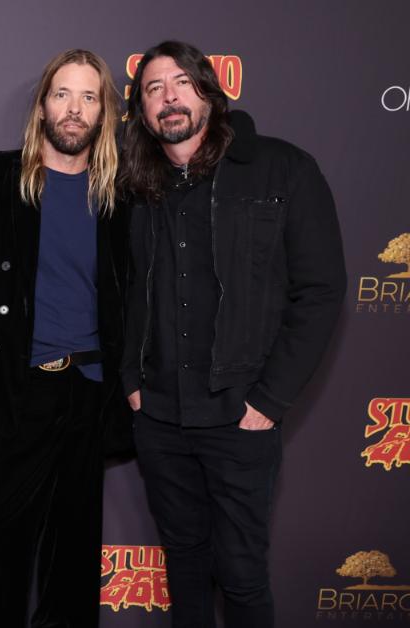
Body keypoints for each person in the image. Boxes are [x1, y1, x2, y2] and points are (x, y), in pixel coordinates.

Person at [119, 40, 346, 628]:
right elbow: (117, 288)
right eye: (153, 89)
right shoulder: (135, 184)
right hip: (161, 419)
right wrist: (132, 381)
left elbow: (320, 291)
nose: (169, 98)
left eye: (181, 83)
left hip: (239, 416)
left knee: (243, 576)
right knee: (185, 571)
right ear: (141, 110)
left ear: (210, 92)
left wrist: (268, 400)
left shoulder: (281, 167)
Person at [0, 48, 130, 627]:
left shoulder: (119, 196)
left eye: (88, 97)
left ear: (104, 113)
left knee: (73, 565)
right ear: (42, 106)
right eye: (62, 94)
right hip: (14, 387)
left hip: (87, 393)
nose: (74, 109)